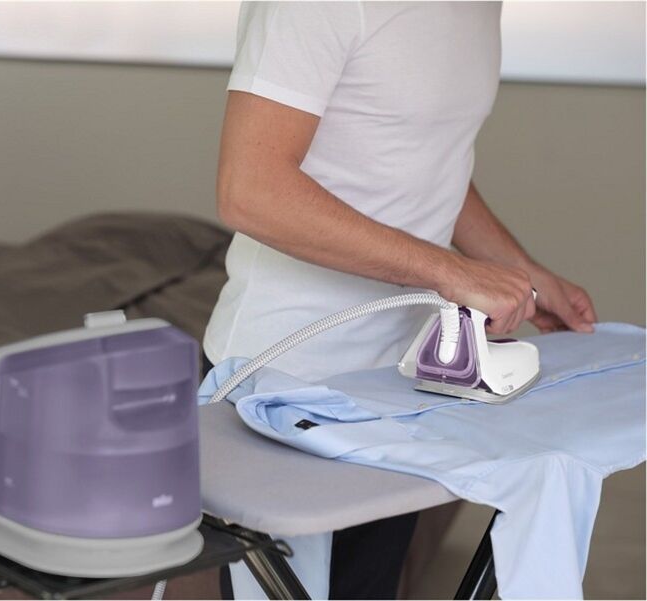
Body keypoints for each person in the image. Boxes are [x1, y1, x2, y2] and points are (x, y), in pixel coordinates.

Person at [203, 2, 598, 599]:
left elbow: (420, 155)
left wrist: (521, 271)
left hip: (401, 386)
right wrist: (449, 271)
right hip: (284, 379)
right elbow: (250, 189)